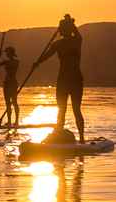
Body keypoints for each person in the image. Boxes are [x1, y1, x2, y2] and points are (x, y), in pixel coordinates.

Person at [34, 14, 85, 142]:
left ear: (67, 29)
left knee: (76, 109)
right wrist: (38, 62)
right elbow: (47, 55)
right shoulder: (58, 44)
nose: (60, 31)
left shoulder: (77, 40)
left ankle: (82, 138)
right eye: (60, 28)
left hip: (76, 79)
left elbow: (76, 31)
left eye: (62, 28)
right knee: (61, 109)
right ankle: (59, 136)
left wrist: (69, 22)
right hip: (62, 80)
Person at [0, 44, 20, 128]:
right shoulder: (6, 61)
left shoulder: (16, 62)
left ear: (11, 53)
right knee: (7, 103)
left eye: (7, 52)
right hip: (6, 83)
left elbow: (9, 65)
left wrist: (3, 60)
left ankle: (16, 121)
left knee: (14, 102)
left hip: (13, 83)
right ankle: (9, 121)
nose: (6, 54)